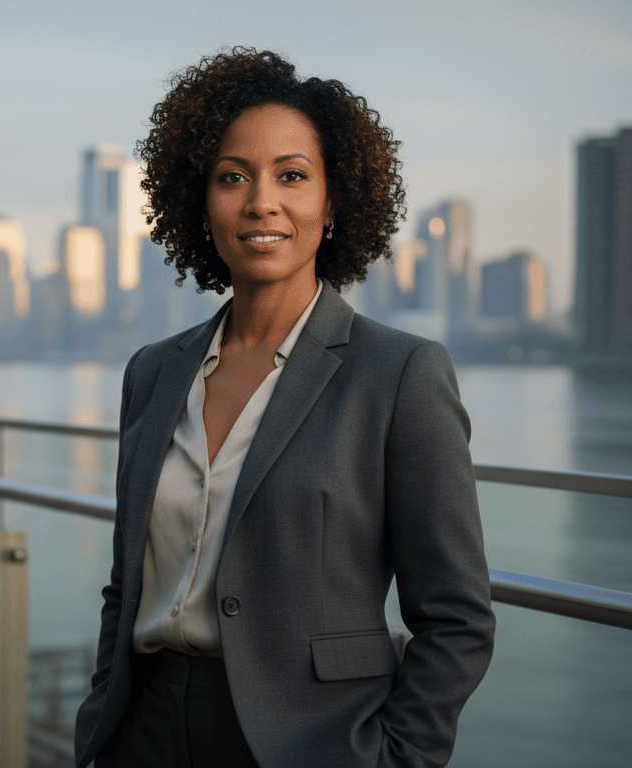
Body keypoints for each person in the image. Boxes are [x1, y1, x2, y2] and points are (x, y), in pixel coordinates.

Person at [74, 48, 494, 768]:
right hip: (142, 729)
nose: (260, 201)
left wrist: (398, 758)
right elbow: (128, 582)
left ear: (332, 204)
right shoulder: (152, 373)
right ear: (199, 202)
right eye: (232, 177)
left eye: (291, 176)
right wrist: (101, 716)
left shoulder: (400, 375)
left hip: (308, 741)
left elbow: (456, 618)